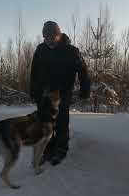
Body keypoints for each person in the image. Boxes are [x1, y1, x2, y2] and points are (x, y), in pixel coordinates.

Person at [30, 21, 91, 166]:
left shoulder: (71, 51)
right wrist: (33, 90)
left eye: (52, 38)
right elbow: (34, 72)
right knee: (45, 122)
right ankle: (48, 150)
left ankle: (61, 151)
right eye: (46, 38)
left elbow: (83, 72)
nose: (49, 41)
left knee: (61, 122)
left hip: (62, 94)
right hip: (44, 94)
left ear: (59, 35)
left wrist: (85, 90)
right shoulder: (40, 50)